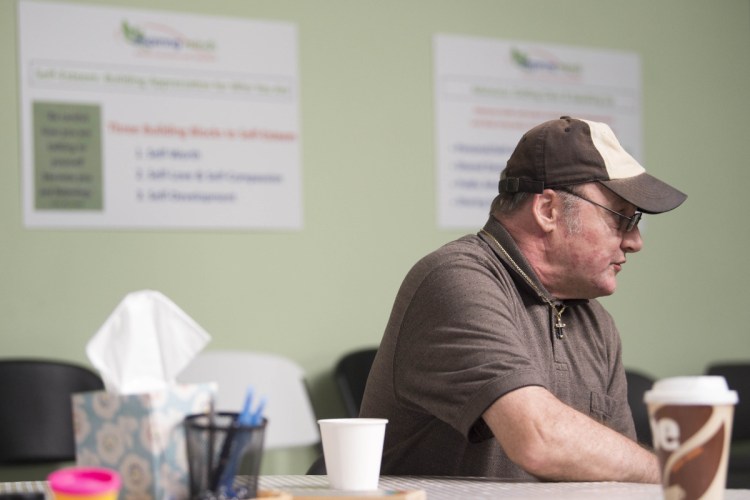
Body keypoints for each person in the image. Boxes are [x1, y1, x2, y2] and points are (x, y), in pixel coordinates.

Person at [359, 116, 687, 482]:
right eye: (621, 218)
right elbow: (539, 439)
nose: (635, 241)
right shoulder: (455, 279)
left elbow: (619, 479)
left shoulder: (597, 324)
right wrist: (677, 473)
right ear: (548, 210)